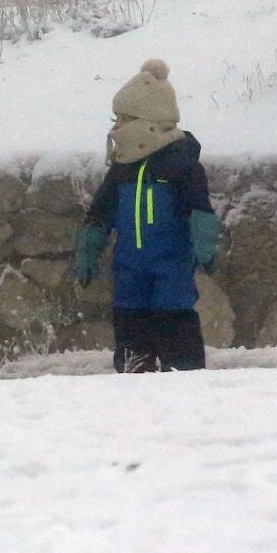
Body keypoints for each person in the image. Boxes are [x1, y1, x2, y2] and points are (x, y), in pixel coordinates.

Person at [74, 58, 220, 372]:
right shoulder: (122, 168)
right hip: (129, 269)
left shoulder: (181, 164)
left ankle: (186, 382)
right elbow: (101, 211)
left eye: (123, 119)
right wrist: (89, 246)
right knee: (130, 336)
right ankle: (131, 390)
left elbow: (198, 208)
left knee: (175, 328)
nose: (116, 127)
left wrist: (204, 242)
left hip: (171, 267)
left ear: (146, 121)